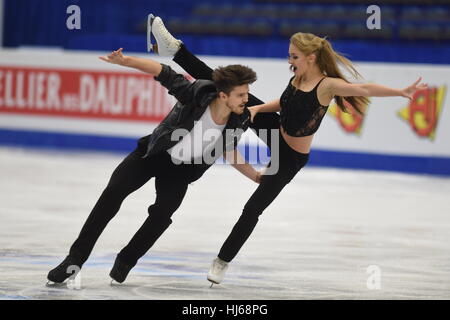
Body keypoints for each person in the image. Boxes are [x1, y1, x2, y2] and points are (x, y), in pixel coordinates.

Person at [148, 16, 428, 285]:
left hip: (290, 158)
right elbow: (283, 103)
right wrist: (256, 108)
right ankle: (174, 50)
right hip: (275, 130)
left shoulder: (327, 85)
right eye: (289, 55)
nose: (289, 61)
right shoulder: (296, 79)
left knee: (252, 208)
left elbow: (362, 87)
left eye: (294, 56)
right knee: (226, 83)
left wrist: (399, 92)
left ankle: (222, 261)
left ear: (311, 58)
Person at [47, 47, 266, 284]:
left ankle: (126, 260)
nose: (247, 100)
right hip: (154, 154)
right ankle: (74, 260)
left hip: (182, 170)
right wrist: (125, 61)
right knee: (112, 195)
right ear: (223, 95)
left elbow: (228, 150)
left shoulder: (240, 119)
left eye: (247, 94)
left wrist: (253, 175)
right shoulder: (198, 92)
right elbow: (163, 71)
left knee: (162, 216)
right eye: (241, 95)